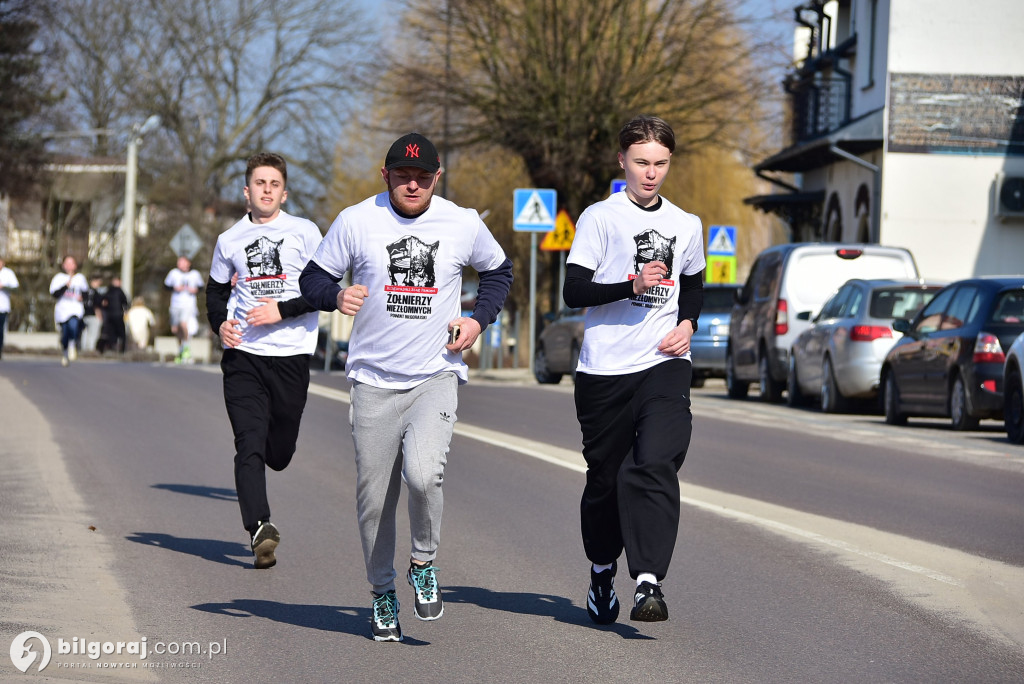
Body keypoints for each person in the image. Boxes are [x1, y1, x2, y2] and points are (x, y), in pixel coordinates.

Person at [299, 132, 513, 642]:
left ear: (437, 177)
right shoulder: (356, 220)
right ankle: (382, 592)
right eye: (402, 176)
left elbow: (500, 271)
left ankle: (423, 561)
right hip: (373, 380)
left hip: (435, 375)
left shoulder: (462, 223)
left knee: (423, 476)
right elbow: (311, 279)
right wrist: (335, 295)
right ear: (385, 175)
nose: (412, 185)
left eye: (423, 177)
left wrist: (479, 319)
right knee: (375, 500)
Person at [562, 115, 704, 626]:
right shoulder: (600, 218)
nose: (651, 173)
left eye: (661, 164)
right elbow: (574, 291)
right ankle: (602, 571)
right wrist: (631, 285)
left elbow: (693, 283)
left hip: (664, 363)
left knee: (656, 461)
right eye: (641, 162)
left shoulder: (686, 224)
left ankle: (649, 581)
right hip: (605, 371)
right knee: (604, 481)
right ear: (622, 160)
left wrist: (688, 322)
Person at [206, 152, 321, 570]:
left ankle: (271, 476)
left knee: (279, 452)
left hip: (291, 356)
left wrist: (281, 310)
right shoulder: (229, 240)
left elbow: (324, 291)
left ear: (284, 192)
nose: (267, 190)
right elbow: (216, 293)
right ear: (247, 192)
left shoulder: (305, 233)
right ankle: (260, 528)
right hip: (243, 358)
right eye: (260, 183)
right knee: (248, 445)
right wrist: (220, 325)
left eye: (274, 183)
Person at [49, 255, 90, 367]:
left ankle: (72, 345)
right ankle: (65, 352)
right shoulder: (59, 278)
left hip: (75, 309)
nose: (69, 265)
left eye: (72, 263)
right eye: (67, 263)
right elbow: (54, 294)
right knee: (65, 333)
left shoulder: (80, 278)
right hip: (62, 310)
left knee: (73, 326)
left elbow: (86, 294)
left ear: (75, 265)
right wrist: (65, 286)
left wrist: (82, 298)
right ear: (63, 265)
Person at [165, 255, 204, 363]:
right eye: (178, 262)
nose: (179, 264)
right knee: (176, 329)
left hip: (188, 304)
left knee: (183, 324)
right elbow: (166, 286)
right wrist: (174, 288)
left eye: (182, 262)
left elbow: (201, 287)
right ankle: (180, 350)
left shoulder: (195, 274)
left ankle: (186, 346)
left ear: (188, 263)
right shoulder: (173, 273)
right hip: (175, 304)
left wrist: (194, 290)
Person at [98, 275, 129, 354]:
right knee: (117, 332)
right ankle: (118, 348)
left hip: (112, 315)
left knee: (112, 332)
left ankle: (114, 347)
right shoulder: (116, 291)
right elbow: (125, 302)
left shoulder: (110, 291)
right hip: (115, 315)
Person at [0, 256, 19, 359]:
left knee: (0, 330)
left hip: (3, 306)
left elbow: (16, 288)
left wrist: (4, 286)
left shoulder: (8, 273)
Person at [81, 275, 104, 353]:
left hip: (84, 315)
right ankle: (90, 350)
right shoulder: (96, 293)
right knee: (93, 334)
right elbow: (97, 305)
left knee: (85, 334)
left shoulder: (84, 291)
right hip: (93, 315)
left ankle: (83, 349)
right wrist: (99, 315)